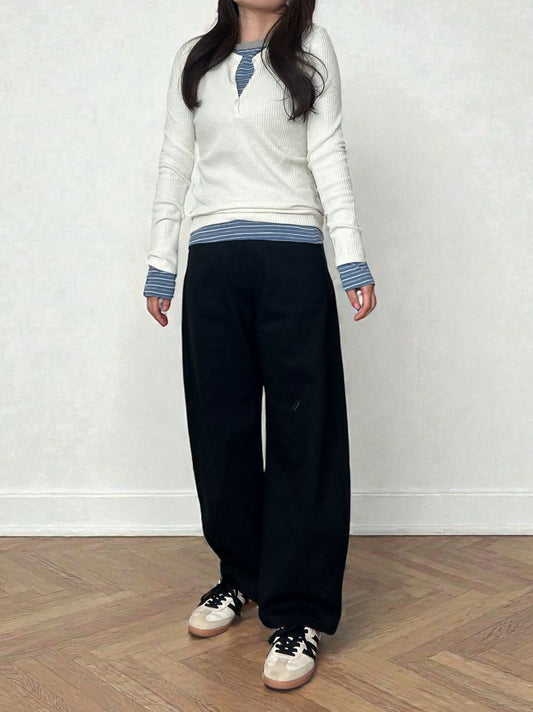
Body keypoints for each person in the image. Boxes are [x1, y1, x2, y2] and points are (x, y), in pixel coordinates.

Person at [143, 0, 377, 691]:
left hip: (292, 258)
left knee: (306, 433)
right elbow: (175, 160)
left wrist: (349, 256)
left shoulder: (312, 47)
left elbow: (327, 150)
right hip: (213, 261)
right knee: (223, 431)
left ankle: (299, 610)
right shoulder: (195, 58)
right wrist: (161, 261)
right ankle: (240, 574)